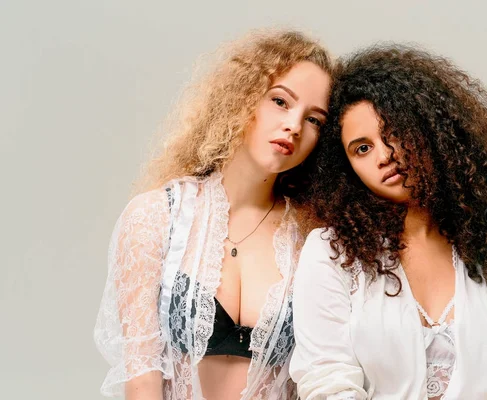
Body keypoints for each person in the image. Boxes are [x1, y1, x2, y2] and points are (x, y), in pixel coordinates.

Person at [290, 44, 487, 399]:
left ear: (430, 128)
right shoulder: (332, 252)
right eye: (362, 148)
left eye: (394, 132)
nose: (384, 156)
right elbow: (326, 381)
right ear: (346, 168)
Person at [94, 29, 333, 400]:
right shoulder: (156, 217)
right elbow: (141, 377)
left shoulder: (311, 239)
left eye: (315, 119)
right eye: (281, 101)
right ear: (242, 96)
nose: (295, 126)